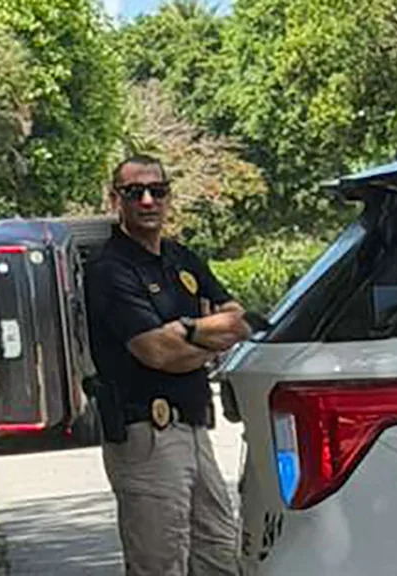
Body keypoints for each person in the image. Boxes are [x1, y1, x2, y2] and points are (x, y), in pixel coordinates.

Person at [85, 154, 252, 576]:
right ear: (115, 200)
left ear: (168, 197)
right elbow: (156, 352)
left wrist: (188, 332)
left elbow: (238, 320)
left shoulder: (181, 259)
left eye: (157, 191)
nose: (147, 201)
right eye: (134, 192)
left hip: (195, 426)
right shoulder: (109, 270)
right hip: (146, 433)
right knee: (159, 563)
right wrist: (208, 338)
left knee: (219, 554)